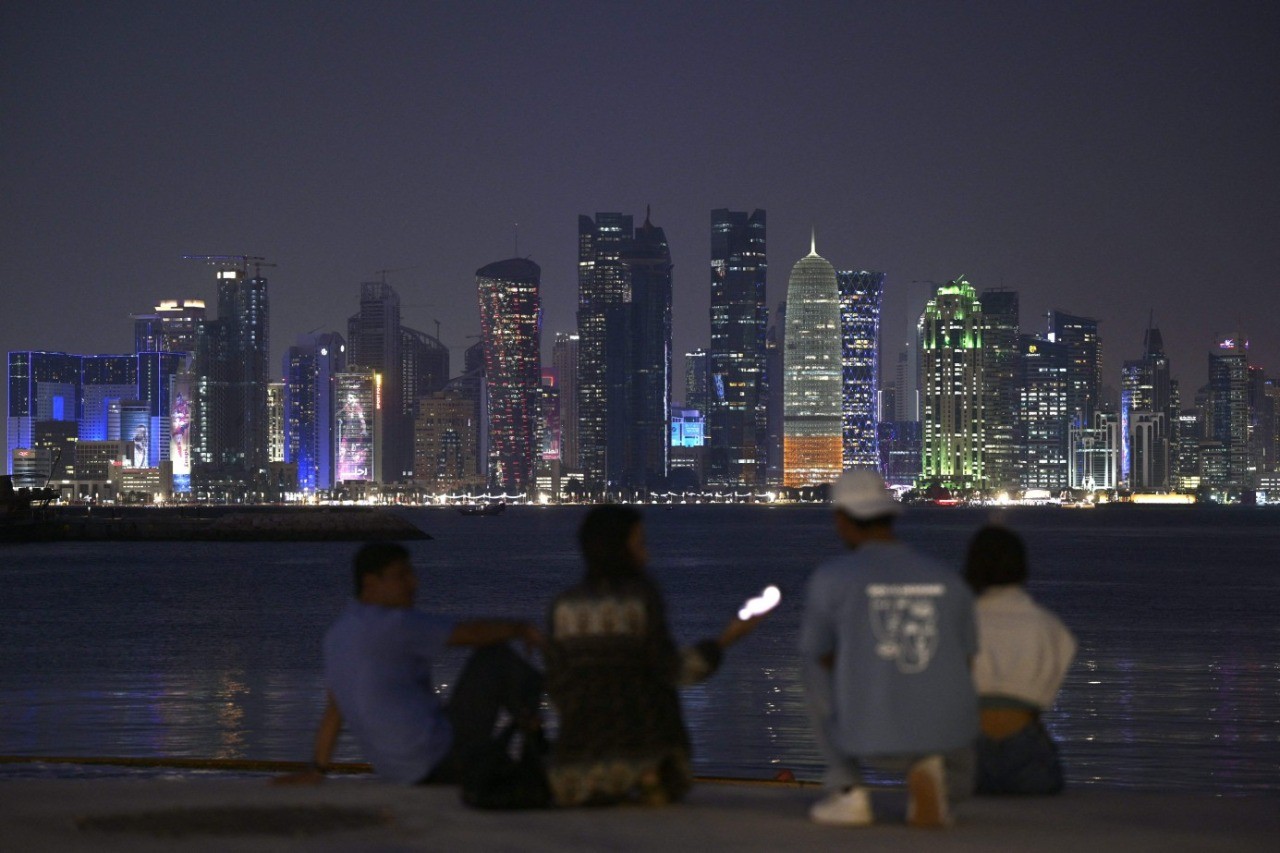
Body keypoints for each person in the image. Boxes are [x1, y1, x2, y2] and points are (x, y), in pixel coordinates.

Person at [544, 505, 765, 806]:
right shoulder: (639, 600)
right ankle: (648, 777)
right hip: (643, 763)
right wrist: (726, 640)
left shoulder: (562, 606)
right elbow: (675, 671)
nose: (646, 554)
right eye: (639, 543)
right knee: (658, 686)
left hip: (573, 769)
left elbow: (557, 687)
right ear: (620, 549)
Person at [280, 542, 544, 786]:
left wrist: (317, 769)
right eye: (402, 576)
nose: (414, 583)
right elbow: (472, 634)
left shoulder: (338, 634)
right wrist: (522, 628)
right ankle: (542, 747)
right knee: (494, 657)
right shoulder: (394, 624)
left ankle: (528, 746)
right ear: (370, 583)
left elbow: (334, 709)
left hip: (399, 773)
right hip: (439, 761)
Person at [799, 471, 978, 828]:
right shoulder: (945, 578)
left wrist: (862, 664)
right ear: (892, 515)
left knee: (811, 662)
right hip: (944, 735)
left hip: (865, 734)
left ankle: (849, 789)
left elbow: (818, 655)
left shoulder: (833, 578)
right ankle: (933, 772)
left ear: (842, 520)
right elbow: (969, 657)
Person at [965, 525, 1076, 795]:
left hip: (967, 746)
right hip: (1027, 747)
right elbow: (1046, 694)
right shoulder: (1051, 627)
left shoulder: (955, 623)